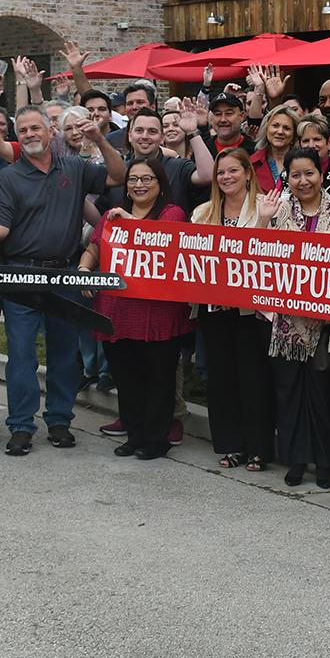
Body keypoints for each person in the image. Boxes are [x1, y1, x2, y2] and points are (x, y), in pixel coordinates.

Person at [0, 105, 125, 455]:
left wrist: (99, 139)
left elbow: (118, 175)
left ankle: (59, 420)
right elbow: (0, 229)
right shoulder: (8, 178)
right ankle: (21, 425)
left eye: (35, 129)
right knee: (22, 354)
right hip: (20, 274)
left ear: (51, 132)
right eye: (23, 130)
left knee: (63, 351)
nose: (29, 135)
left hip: (63, 272)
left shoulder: (73, 167)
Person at [80, 155, 192, 461]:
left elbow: (161, 239)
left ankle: (157, 439)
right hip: (117, 309)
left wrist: (127, 221)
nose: (139, 185)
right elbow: (94, 245)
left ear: (160, 184)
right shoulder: (113, 215)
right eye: (133, 179)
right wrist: (84, 268)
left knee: (159, 377)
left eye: (146, 179)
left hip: (158, 311)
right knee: (127, 376)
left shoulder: (173, 213)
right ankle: (135, 434)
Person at [260, 149, 330, 486]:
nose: (303, 181)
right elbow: (254, 254)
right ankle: (295, 460)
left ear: (320, 174)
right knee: (289, 394)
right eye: (295, 175)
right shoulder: (277, 209)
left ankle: (325, 463)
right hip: (285, 323)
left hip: (325, 322)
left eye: (309, 173)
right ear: (287, 178)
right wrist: (263, 219)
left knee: (323, 395)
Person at [191, 148, 275, 470]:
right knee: (222, 379)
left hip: (251, 312)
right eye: (221, 173)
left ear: (247, 173)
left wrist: (264, 222)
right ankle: (231, 445)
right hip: (215, 311)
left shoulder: (266, 207)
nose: (226, 177)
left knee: (254, 379)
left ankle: (258, 448)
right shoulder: (202, 213)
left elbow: (268, 254)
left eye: (233, 171)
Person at [252, 104, 299, 191]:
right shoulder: (251, 163)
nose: (280, 131)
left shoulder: (303, 162)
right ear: (266, 129)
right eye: (275, 126)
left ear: (294, 134)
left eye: (287, 128)